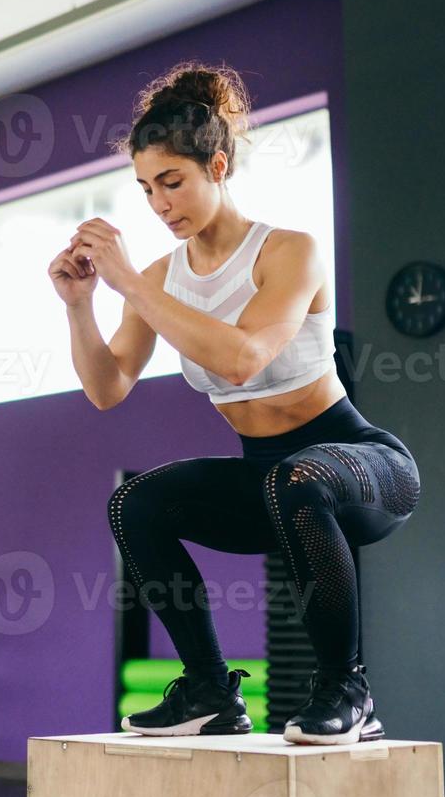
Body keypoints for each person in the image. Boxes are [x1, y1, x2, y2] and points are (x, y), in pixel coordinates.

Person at [47, 60, 420, 745]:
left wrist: (130, 283)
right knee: (135, 504)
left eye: (172, 182)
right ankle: (211, 690)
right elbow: (108, 388)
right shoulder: (161, 278)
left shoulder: (289, 252)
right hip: (271, 483)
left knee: (295, 477)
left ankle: (349, 689)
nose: (160, 205)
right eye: (146, 188)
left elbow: (244, 357)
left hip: (364, 469)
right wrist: (81, 308)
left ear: (217, 166)